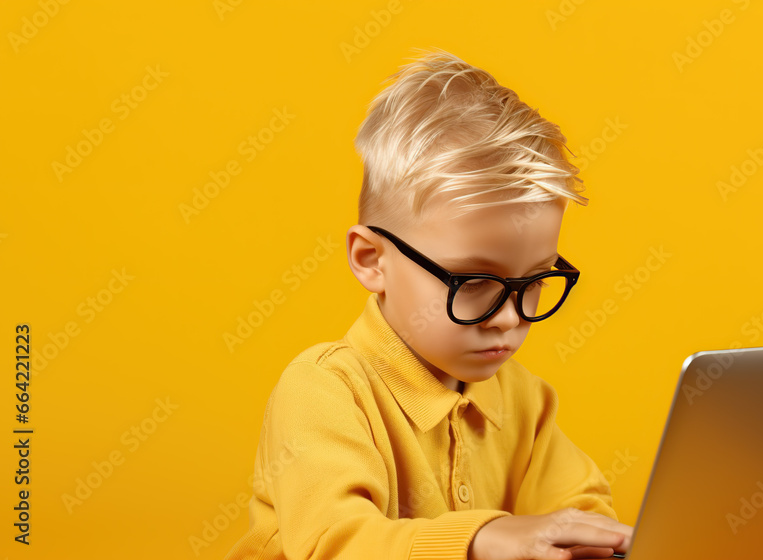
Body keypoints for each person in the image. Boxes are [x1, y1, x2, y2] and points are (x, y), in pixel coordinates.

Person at [224, 47, 633, 560]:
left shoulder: (523, 401)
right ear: (372, 259)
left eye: (534, 282)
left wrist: (591, 542)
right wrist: (480, 540)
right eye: (472, 281)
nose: (509, 317)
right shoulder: (323, 391)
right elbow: (334, 543)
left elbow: (579, 507)